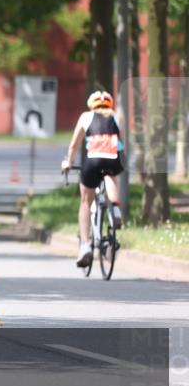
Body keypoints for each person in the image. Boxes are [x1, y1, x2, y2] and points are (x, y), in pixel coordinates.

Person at [60, 90, 125, 268]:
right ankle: (115, 209)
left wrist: (68, 162)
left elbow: (74, 144)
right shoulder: (117, 117)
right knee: (111, 175)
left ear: (92, 105)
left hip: (93, 160)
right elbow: (123, 142)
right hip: (113, 158)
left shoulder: (86, 117)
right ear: (109, 104)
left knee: (85, 203)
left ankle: (85, 246)